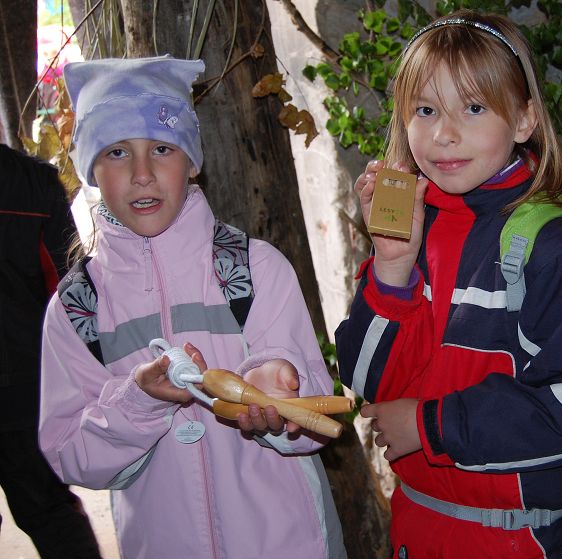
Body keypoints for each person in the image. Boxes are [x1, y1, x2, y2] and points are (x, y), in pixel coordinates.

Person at [37, 56, 345, 559]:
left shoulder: (255, 268)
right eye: (116, 151)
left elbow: (313, 417)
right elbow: (69, 455)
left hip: (289, 544)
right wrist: (138, 402)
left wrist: (278, 384)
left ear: (192, 161)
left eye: (162, 148)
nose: (142, 174)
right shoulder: (75, 310)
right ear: (90, 169)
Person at [335, 9, 562, 558]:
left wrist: (431, 426)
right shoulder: (412, 232)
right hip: (416, 528)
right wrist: (392, 265)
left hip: (521, 538)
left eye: (474, 107)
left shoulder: (556, 249)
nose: (444, 133)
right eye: (425, 110)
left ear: (524, 120)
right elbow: (365, 379)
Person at [0, 144, 101, 557]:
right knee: (51, 512)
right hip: (26, 385)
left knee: (51, 513)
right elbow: (69, 290)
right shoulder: (33, 180)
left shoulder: (36, 181)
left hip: (24, 387)